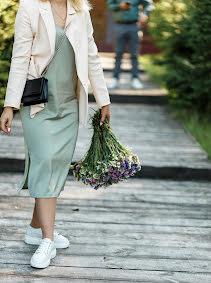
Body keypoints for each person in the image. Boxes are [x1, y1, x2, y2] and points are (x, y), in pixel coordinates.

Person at [0, 0, 111, 269]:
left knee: (56, 166)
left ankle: (34, 229)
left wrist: (103, 99)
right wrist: (10, 105)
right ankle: (47, 241)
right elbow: (20, 57)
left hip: (69, 106)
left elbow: (92, 56)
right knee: (45, 162)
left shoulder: (80, 11)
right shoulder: (30, 7)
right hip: (38, 104)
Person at [107, 0, 154, 89]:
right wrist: (119, 6)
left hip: (134, 26)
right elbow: (109, 6)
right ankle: (115, 79)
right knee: (118, 53)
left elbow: (149, 4)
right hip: (119, 26)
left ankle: (135, 79)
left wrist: (145, 13)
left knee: (134, 54)